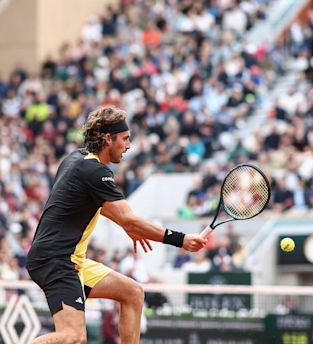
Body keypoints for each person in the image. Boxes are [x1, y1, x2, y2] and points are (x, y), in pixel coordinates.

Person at [26, 106, 207, 344]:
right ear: (107, 139)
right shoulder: (94, 171)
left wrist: (128, 226)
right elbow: (128, 218)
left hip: (68, 260)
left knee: (132, 293)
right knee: (73, 337)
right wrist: (181, 239)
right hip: (56, 261)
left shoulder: (76, 159)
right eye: (125, 139)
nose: (129, 146)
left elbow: (102, 208)